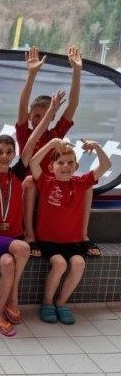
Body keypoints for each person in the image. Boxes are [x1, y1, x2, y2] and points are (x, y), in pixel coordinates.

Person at [0, 85, 66, 337]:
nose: (4, 156)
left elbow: (33, 139)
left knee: (8, 263)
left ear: (14, 154)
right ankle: (14, 297)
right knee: (23, 248)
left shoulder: (18, 174)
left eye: (9, 152)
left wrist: (52, 110)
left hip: (9, 240)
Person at [16, 46, 97, 256]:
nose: (40, 119)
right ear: (30, 116)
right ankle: (30, 235)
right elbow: (23, 104)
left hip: (54, 184)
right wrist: (31, 75)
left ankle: (84, 236)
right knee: (28, 181)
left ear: (52, 117)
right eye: (36, 115)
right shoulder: (24, 133)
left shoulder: (56, 133)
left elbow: (73, 104)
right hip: (34, 184)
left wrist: (77, 71)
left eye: (45, 115)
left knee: (87, 184)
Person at [31, 138, 111, 324]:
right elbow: (34, 162)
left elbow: (106, 165)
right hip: (48, 241)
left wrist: (97, 147)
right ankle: (47, 303)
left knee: (79, 264)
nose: (65, 166)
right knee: (59, 264)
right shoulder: (46, 182)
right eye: (60, 163)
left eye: (70, 162)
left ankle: (61, 303)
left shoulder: (80, 183)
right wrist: (52, 144)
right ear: (51, 167)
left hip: (72, 242)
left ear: (76, 166)